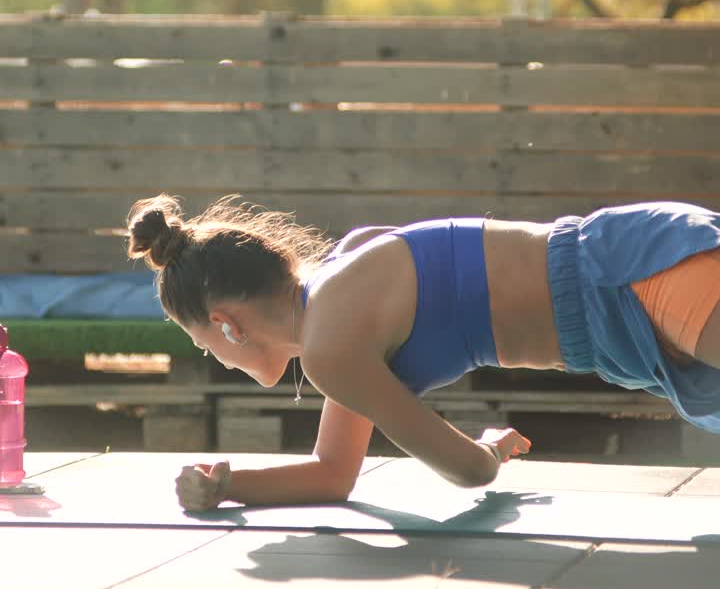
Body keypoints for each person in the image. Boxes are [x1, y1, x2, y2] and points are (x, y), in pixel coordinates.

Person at [126, 196, 720, 513]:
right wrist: (230, 487)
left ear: (226, 324)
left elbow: (468, 471)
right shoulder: (337, 314)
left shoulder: (333, 347)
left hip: (629, 280)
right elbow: (334, 475)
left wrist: (484, 448)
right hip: (629, 296)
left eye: (201, 343)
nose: (215, 358)